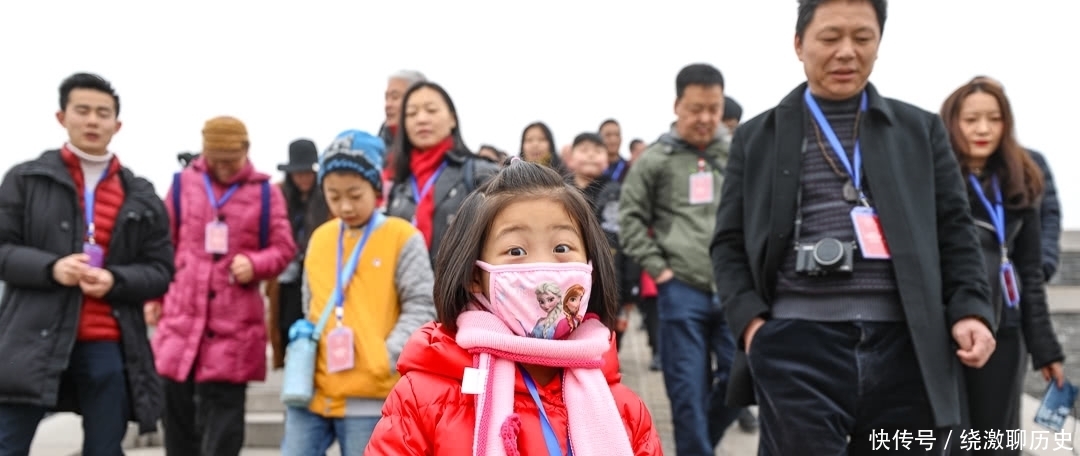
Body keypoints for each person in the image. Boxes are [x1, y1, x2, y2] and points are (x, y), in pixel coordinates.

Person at [709, 1, 997, 454]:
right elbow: (727, 244)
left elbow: (955, 232)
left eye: (863, 38)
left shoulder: (920, 131)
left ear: (879, 44)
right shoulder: (758, 137)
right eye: (830, 38)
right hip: (796, 343)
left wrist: (971, 310)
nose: (847, 52)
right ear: (799, 44)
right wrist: (752, 325)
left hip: (908, 347)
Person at [365, 159, 661, 455]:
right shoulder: (421, 398)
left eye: (561, 248)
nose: (542, 265)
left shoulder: (623, 408)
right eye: (516, 251)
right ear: (474, 277)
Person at [0, 72, 174, 456]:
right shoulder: (25, 180)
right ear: (62, 117)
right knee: (7, 445)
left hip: (108, 341)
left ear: (118, 123)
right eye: (83, 110)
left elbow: (162, 270)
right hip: (32, 339)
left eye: (103, 113)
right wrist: (52, 269)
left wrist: (115, 279)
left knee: (104, 449)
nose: (93, 121)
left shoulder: (141, 194)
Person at [149, 116, 297, 456]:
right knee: (177, 420)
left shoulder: (266, 192)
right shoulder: (182, 184)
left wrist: (256, 264)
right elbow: (162, 244)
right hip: (182, 319)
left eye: (231, 161)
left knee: (224, 430)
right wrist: (155, 296)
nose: (224, 169)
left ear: (246, 151)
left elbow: (284, 248)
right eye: (216, 161)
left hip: (235, 326)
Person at [281, 130, 436, 455]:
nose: (345, 205)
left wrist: (386, 356)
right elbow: (312, 304)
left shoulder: (402, 236)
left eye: (354, 193)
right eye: (333, 196)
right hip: (312, 388)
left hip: (372, 393)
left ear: (376, 188)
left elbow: (421, 306)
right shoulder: (321, 238)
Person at [619, 63, 742, 454]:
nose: (706, 119)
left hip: (734, 286)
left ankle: (698, 444)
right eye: (696, 109)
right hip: (680, 289)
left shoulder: (738, 155)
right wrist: (662, 271)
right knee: (686, 388)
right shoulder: (656, 160)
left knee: (741, 378)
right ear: (677, 106)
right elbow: (630, 219)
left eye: (714, 108)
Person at [940, 79, 1065, 456]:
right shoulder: (934, 177)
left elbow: (1029, 273)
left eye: (994, 119)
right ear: (952, 122)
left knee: (998, 439)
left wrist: (1046, 350)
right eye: (972, 119)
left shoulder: (1021, 176)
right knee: (948, 438)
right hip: (946, 327)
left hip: (1006, 327)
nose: (983, 129)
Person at [384, 82, 499, 264]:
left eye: (431, 110)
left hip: (462, 291)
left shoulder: (480, 173)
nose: (421, 119)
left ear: (452, 119)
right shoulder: (398, 187)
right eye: (411, 113)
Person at [968, 76, 1063, 283]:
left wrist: (1042, 265)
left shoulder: (1030, 163)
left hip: (1020, 272)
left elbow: (1049, 215)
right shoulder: (951, 166)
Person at [569, 132, 639, 350]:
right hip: (570, 275)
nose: (590, 155)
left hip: (608, 276)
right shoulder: (560, 191)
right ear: (571, 158)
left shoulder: (616, 192)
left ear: (606, 159)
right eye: (584, 150)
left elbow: (627, 239)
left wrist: (630, 285)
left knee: (606, 339)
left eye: (597, 151)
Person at [267, 139, 331, 369]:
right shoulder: (279, 195)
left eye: (307, 172)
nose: (303, 178)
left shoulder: (326, 196)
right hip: (287, 278)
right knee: (286, 326)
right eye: (298, 173)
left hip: (319, 272)